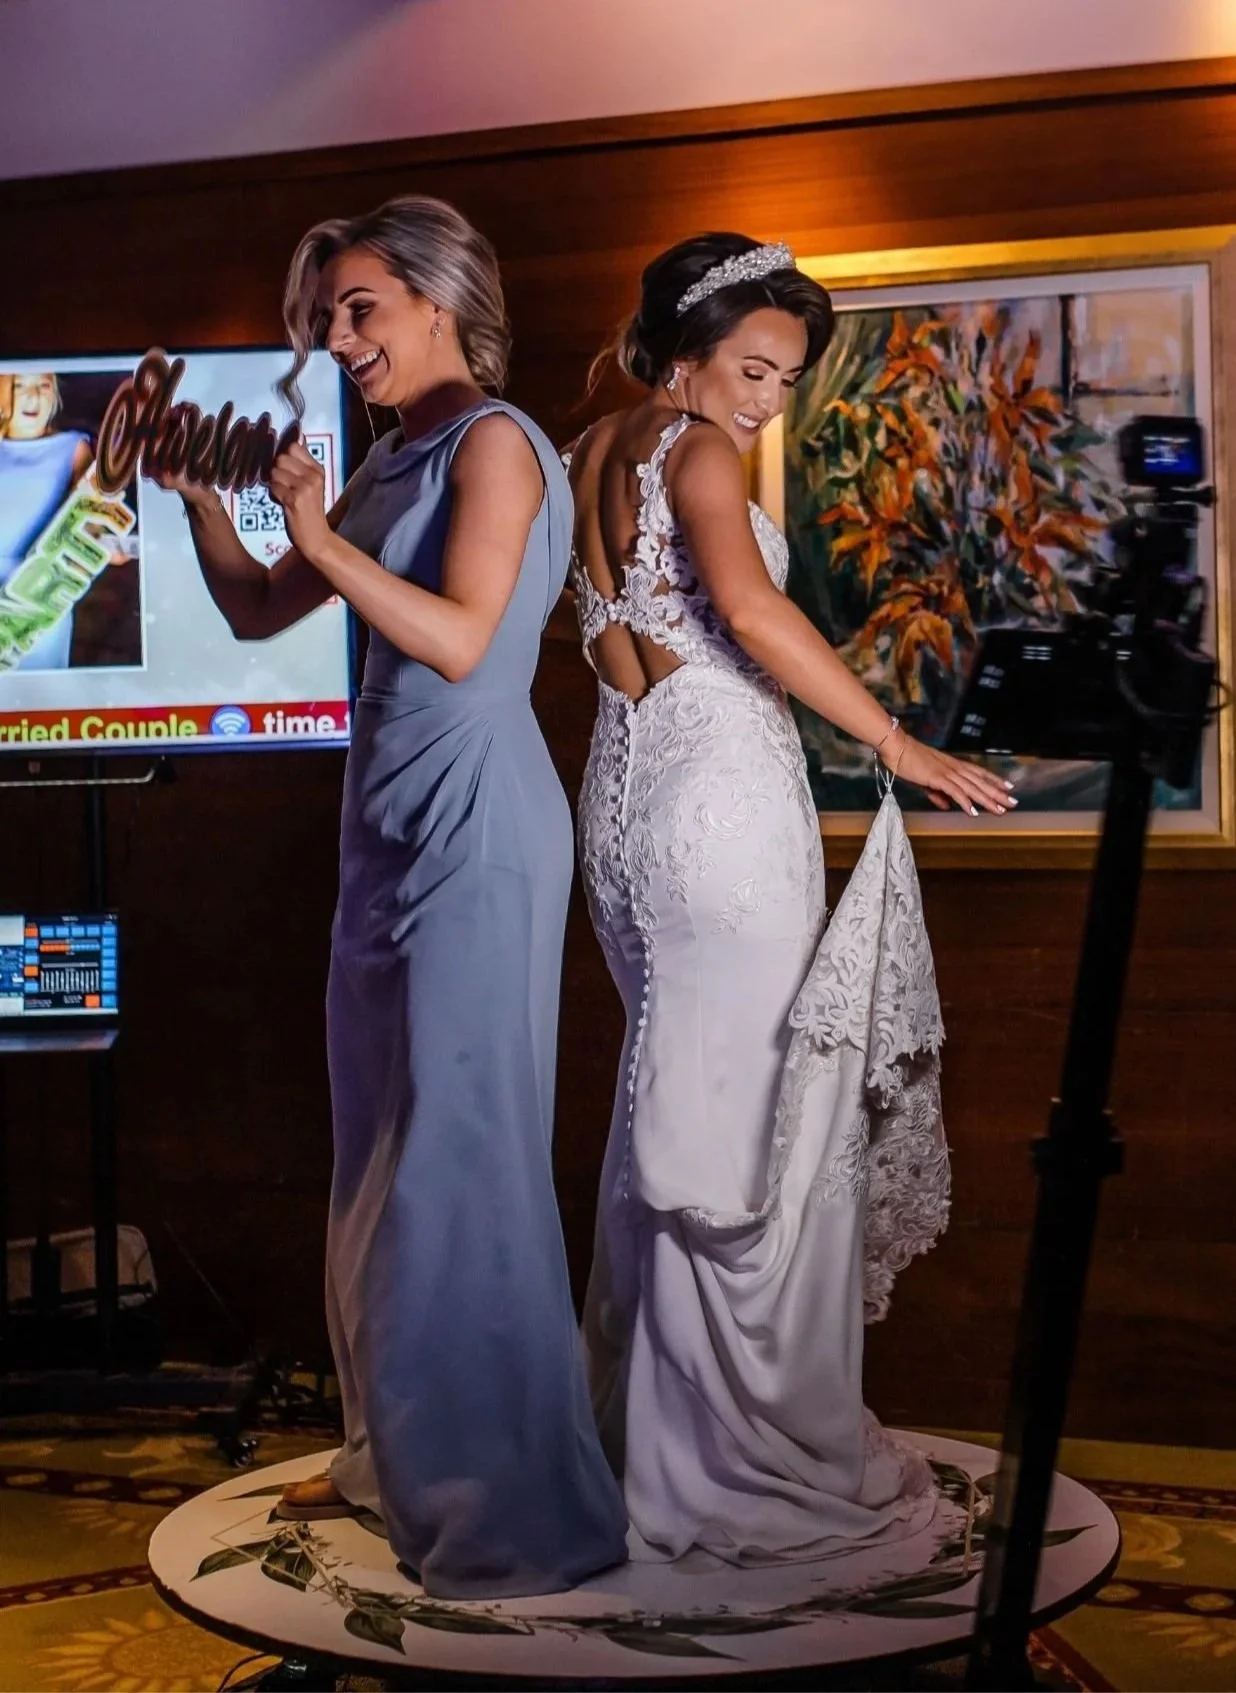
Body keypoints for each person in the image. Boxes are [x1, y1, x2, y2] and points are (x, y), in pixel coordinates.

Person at [169, 196, 626, 1598]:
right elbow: (257, 610)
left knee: (456, 1160)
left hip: (476, 824)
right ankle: (400, 1455)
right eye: (328, 317)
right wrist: (203, 500)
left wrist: (318, 530)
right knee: (378, 1152)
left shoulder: (497, 443)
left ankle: (511, 1507)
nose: (337, 337)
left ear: (441, 302)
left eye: (359, 307)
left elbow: (461, 639)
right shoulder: (388, 457)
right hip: (383, 833)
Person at [565, 233, 1015, 1567]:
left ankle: (649, 1440)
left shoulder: (584, 452)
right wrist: (894, 739)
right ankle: (727, 1462)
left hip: (624, 800)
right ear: (686, 351)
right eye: (752, 368)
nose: (766, 399)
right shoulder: (695, 450)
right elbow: (752, 614)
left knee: (677, 1096)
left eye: (785, 378)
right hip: (718, 802)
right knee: (743, 1120)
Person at [0, 371, 93, 670]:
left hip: (39, 594)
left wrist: (102, 544)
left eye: (43, 385)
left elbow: (93, 519)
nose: (34, 396)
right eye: (20, 386)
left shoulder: (74, 447)